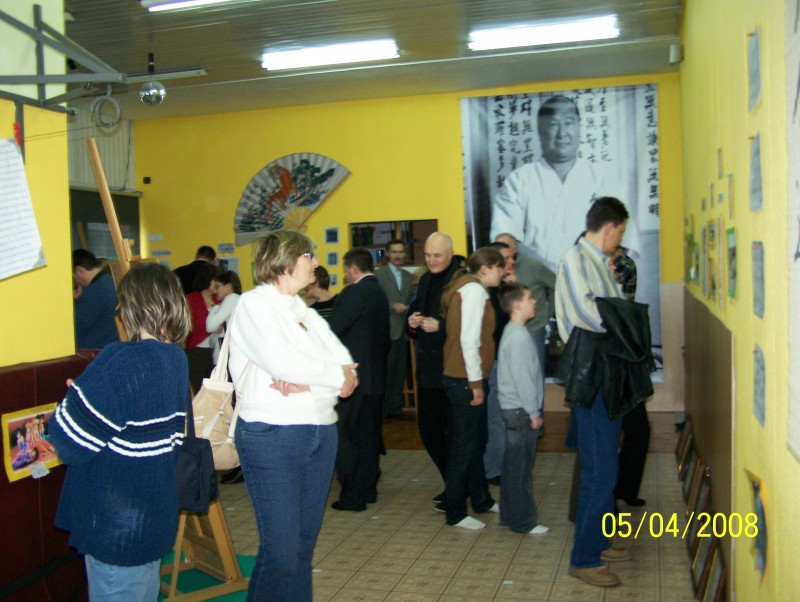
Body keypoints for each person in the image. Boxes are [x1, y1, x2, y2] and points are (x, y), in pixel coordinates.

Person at [227, 230, 358, 601]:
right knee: (281, 553)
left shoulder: (306, 312)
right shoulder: (253, 305)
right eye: (308, 256)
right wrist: (327, 377)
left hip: (321, 433)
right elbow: (283, 361)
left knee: (302, 548)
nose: (315, 263)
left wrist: (308, 384)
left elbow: (347, 367)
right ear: (286, 260)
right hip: (272, 435)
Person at [48, 262, 190, 601]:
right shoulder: (175, 358)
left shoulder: (122, 360)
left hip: (117, 526)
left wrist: (75, 399)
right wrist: (87, 396)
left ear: (131, 307)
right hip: (154, 516)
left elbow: (67, 441)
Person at [556, 196, 652, 588]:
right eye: (621, 231)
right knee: (599, 470)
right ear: (609, 227)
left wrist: (620, 306)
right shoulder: (574, 261)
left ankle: (599, 541)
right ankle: (584, 559)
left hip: (608, 373)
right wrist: (625, 318)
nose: (620, 239)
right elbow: (590, 315)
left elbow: (613, 308)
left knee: (606, 464)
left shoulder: (601, 263)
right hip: (592, 375)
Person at [490, 96, 604, 273]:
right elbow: (505, 235)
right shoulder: (519, 180)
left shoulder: (601, 177)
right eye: (553, 125)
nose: (562, 133)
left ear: (579, 127)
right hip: (535, 279)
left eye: (568, 123)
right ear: (540, 130)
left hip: (589, 275)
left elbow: (622, 238)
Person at [440, 247, 505, 529]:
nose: (503, 272)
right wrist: (475, 384)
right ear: (485, 268)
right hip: (464, 378)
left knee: (476, 441)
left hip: (464, 376)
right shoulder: (474, 291)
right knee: (464, 447)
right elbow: (469, 340)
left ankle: (481, 500)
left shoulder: (469, 288)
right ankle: (454, 511)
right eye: (499, 267)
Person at [328, 247, 391, 511]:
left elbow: (331, 331)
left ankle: (352, 495)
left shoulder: (353, 293)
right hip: (376, 376)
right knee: (369, 436)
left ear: (353, 269)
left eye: (345, 270)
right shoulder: (380, 292)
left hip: (353, 378)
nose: (345, 275)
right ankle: (368, 489)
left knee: (348, 436)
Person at [407, 232, 460, 501]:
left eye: (437, 255)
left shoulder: (462, 282)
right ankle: (453, 483)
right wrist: (412, 322)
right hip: (428, 369)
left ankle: (458, 487)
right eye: (427, 255)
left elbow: (470, 323)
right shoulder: (426, 280)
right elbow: (416, 317)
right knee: (428, 430)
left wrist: (441, 326)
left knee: (455, 434)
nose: (431, 260)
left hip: (453, 369)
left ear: (450, 254)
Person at [496, 282, 549, 535]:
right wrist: (534, 412)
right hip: (519, 411)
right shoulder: (517, 337)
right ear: (517, 304)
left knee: (513, 466)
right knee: (520, 469)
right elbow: (523, 380)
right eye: (530, 298)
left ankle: (509, 515)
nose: (534, 302)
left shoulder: (515, 332)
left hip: (515, 409)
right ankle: (522, 521)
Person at [610, 246, 650, 507]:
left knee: (638, 429)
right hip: (609, 360)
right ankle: (612, 495)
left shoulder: (623, 263)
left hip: (625, 355)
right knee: (610, 433)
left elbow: (622, 302)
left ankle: (625, 488)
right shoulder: (584, 266)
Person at [482, 240, 516, 483]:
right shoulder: (484, 292)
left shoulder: (502, 290)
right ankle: (493, 469)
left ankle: (497, 465)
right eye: (505, 259)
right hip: (491, 361)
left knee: (500, 414)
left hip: (503, 359)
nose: (510, 262)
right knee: (494, 415)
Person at [375, 239, 414, 420]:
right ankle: (383, 411)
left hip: (404, 331)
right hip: (387, 330)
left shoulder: (408, 276)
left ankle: (396, 408)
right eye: (394, 252)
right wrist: (392, 305)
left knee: (400, 372)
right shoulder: (379, 275)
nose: (398, 255)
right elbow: (376, 299)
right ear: (388, 254)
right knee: (386, 372)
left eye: (400, 252)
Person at [184, 262, 221, 393]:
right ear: (207, 279)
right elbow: (187, 325)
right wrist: (209, 328)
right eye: (215, 280)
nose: (217, 284)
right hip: (196, 351)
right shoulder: (191, 299)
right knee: (199, 390)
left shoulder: (218, 299)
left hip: (216, 351)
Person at [72, 249, 119, 349]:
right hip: (111, 345)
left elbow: (74, 327)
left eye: (73, 276)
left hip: (95, 350)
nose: (75, 281)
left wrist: (75, 301)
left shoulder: (94, 292)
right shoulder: (109, 280)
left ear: (79, 271)